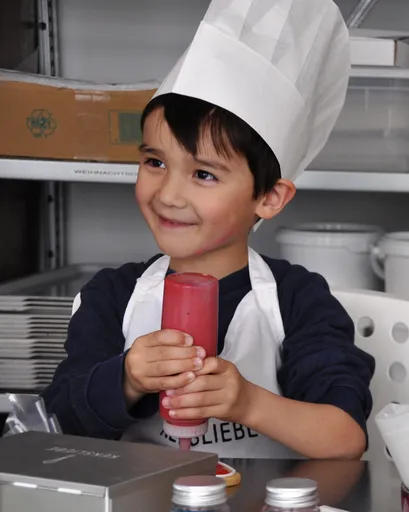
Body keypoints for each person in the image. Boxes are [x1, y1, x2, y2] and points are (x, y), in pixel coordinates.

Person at [40, 0, 375, 460]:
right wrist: (126, 379)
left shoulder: (297, 300)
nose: (169, 195)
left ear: (269, 198)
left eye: (204, 174)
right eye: (155, 162)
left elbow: (345, 440)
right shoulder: (112, 297)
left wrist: (248, 402)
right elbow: (57, 425)